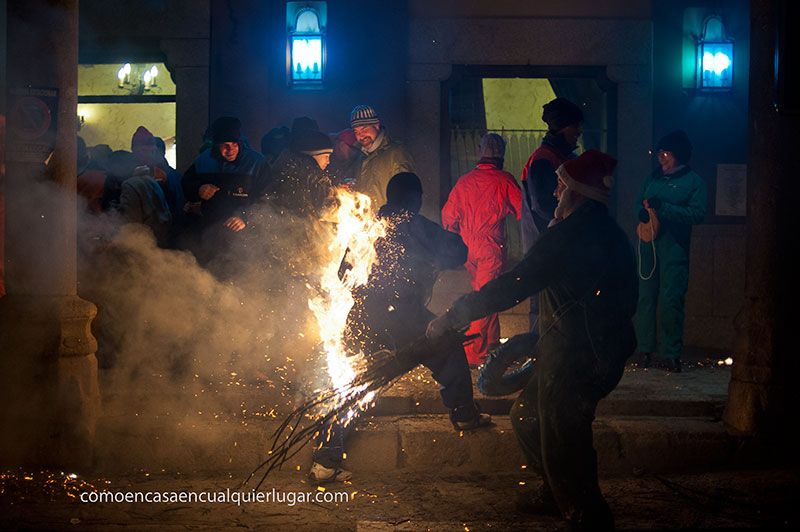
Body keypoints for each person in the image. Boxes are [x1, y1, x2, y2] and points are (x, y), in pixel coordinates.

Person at [428, 150, 637, 531]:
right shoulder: (612, 234)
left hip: (578, 355)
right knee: (528, 414)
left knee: (562, 431)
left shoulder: (567, 238)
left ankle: (585, 514)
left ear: (579, 192)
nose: (555, 193)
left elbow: (513, 285)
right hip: (590, 349)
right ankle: (555, 491)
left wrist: (454, 314)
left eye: (562, 186)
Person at [310, 172, 491, 483]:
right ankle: (463, 413)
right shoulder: (417, 226)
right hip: (403, 315)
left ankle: (325, 459)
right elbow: (459, 252)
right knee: (447, 346)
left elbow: (342, 274)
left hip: (360, 319)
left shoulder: (365, 226)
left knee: (353, 383)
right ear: (417, 199)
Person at [441, 133, 522, 365]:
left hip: (468, 249)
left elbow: (448, 217)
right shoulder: (504, 180)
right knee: (486, 300)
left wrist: (455, 240)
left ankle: (490, 344)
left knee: (486, 295)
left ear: (479, 151)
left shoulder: (464, 182)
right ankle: (471, 354)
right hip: (490, 248)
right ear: (502, 154)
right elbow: (523, 212)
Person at [634, 130, 707, 373]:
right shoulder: (652, 179)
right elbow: (638, 203)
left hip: (674, 248)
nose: (661, 158)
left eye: (666, 154)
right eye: (659, 154)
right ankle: (644, 349)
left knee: (670, 300)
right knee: (645, 297)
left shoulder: (694, 182)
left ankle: (671, 352)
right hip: (648, 246)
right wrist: (642, 213)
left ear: (679, 155)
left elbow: (697, 213)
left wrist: (665, 209)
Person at [520, 97, 584, 333]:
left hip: (561, 241)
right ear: (562, 126)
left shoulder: (565, 158)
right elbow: (542, 205)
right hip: (544, 243)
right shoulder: (543, 159)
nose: (579, 131)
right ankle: (538, 351)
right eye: (575, 125)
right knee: (544, 300)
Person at [181, 116, 271, 272]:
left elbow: (268, 197)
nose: (230, 150)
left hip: (245, 238)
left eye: (234, 144)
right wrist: (199, 189)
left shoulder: (257, 163)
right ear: (216, 146)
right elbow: (186, 183)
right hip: (210, 234)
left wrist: (245, 217)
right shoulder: (204, 161)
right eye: (225, 145)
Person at [349, 105, 415, 208]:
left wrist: (392, 217)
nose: (361, 136)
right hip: (366, 222)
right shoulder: (360, 157)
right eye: (356, 132)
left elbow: (406, 194)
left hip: (388, 222)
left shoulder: (396, 153)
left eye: (364, 129)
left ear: (376, 125)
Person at [266, 129, 335, 218]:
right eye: (326, 156)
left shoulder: (289, 169)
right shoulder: (311, 175)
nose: (328, 161)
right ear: (313, 154)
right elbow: (322, 208)